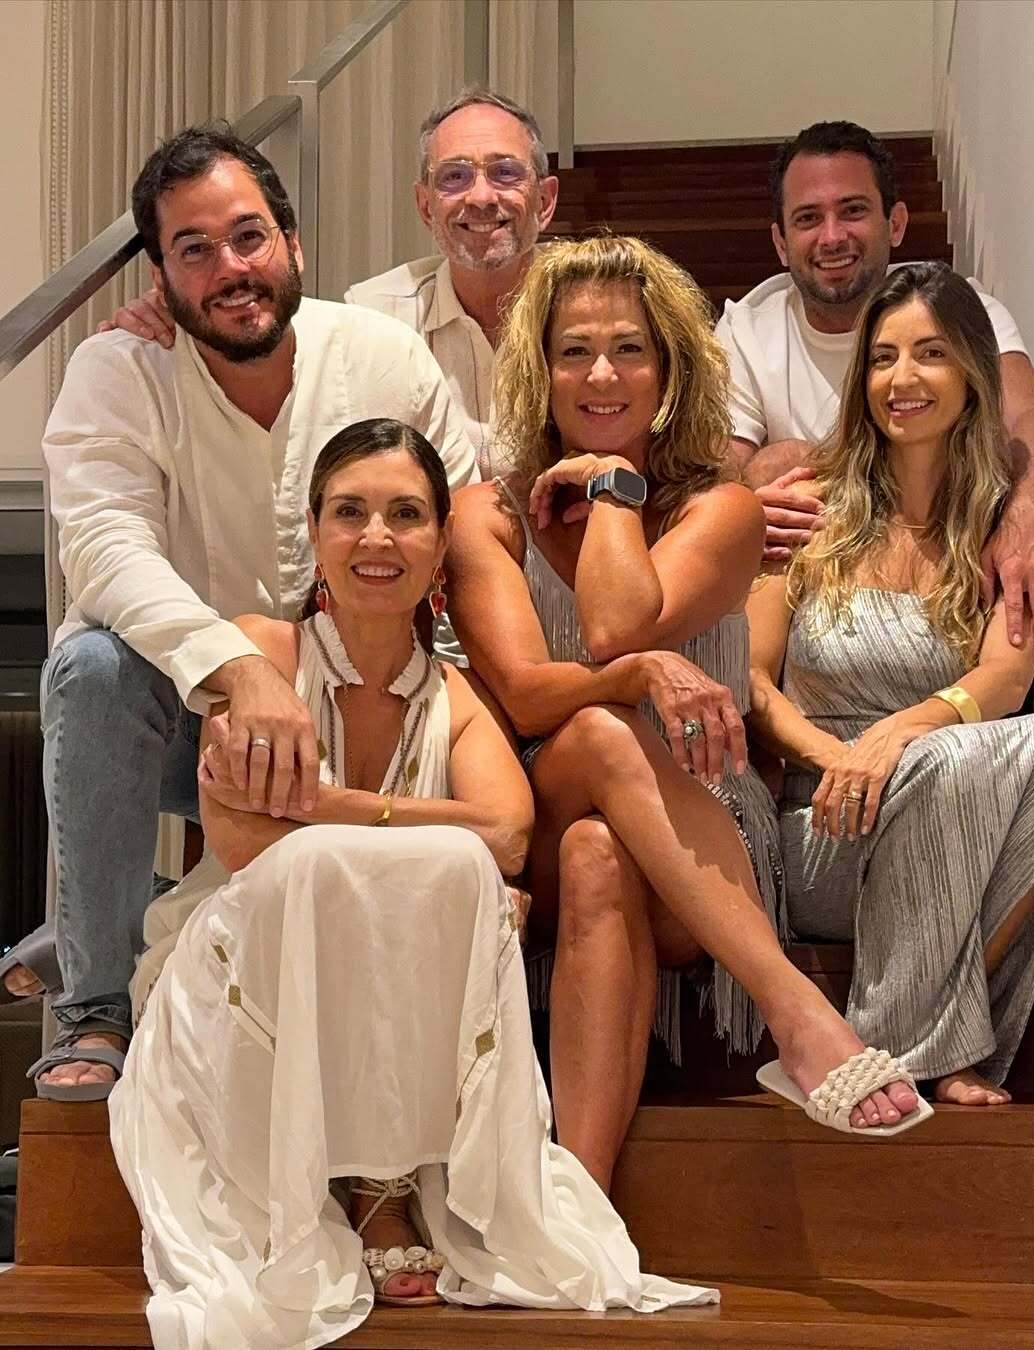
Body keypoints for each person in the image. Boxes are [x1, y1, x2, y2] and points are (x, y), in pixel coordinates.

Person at [108, 418, 717, 1349]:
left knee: (437, 868)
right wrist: (410, 835)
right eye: (350, 512)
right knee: (328, 866)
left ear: (439, 547)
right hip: (235, 976)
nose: (377, 537)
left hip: (384, 989)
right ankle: (349, 1188)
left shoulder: (456, 697)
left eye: (405, 515)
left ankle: (383, 1179)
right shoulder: (263, 654)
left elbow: (508, 833)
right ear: (315, 533)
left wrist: (324, 805)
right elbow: (240, 841)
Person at [448, 234, 931, 1194]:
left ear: (670, 370)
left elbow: (614, 621)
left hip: (707, 815)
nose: (602, 374)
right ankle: (798, 1012)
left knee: (602, 849)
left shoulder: (724, 510)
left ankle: (579, 1207)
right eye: (574, 351)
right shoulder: (485, 514)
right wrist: (636, 677)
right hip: (545, 797)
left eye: (630, 349)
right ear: (538, 369)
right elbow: (534, 692)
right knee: (597, 739)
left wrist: (612, 488)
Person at [18, 124, 476, 1101]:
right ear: (160, 278)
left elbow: (463, 523)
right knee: (90, 666)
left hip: (357, 721)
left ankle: (118, 908)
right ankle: (95, 1006)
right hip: (187, 722)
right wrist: (235, 671)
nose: (229, 268)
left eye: (248, 236)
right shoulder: (118, 371)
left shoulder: (383, 357)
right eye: (194, 249)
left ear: (293, 243)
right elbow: (104, 548)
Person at [746, 262, 1034, 1106]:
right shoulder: (811, 504)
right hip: (828, 821)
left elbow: (1008, 676)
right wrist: (841, 757)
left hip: (946, 791)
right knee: (952, 760)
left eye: (930, 353)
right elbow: (750, 679)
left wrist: (899, 737)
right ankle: (936, 1052)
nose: (903, 378)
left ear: (971, 372)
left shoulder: (1002, 522)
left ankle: (897, 1040)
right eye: (883, 357)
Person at [718, 121, 1034, 654]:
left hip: (944, 585)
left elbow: (1032, 426)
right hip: (807, 605)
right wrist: (743, 508)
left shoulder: (959, 307)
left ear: (896, 222)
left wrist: (1029, 513)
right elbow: (719, 472)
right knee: (769, 473)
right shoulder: (746, 330)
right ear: (781, 242)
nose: (832, 237)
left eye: (853, 210)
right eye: (808, 218)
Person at [103, 88, 559, 480]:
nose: (480, 197)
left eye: (505, 172)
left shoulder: (589, 307)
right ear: (425, 206)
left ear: (545, 200)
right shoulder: (376, 316)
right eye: (454, 177)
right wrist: (173, 311)